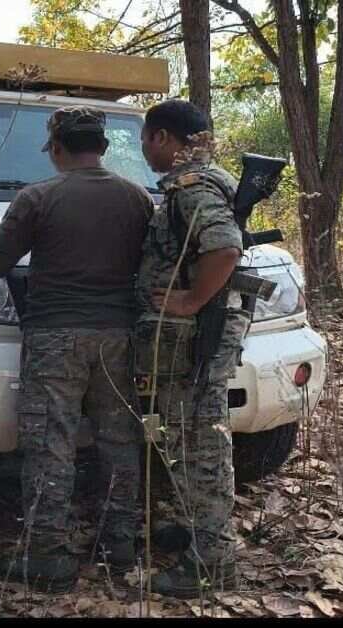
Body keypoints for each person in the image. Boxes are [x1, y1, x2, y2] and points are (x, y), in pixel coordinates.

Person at [0, 106, 154, 592]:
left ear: (56, 148)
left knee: (50, 441)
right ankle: (120, 543)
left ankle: (48, 553)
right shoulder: (137, 198)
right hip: (118, 335)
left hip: (55, 335)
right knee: (120, 439)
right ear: (102, 147)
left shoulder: (38, 196)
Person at [134, 99, 244, 598]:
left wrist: (191, 300)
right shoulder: (207, 179)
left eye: (145, 140)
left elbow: (224, 246)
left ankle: (213, 561)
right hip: (197, 333)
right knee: (186, 436)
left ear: (163, 138)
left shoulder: (192, 186)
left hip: (197, 334)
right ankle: (197, 531)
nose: (144, 151)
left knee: (201, 442)